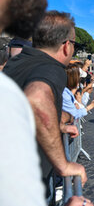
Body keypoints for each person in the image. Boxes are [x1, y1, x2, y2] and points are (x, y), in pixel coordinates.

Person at [3, 11, 87, 204]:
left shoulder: (17, 62)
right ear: (66, 46)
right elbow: (36, 100)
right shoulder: (53, 68)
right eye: (74, 44)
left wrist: (56, 124)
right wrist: (63, 165)